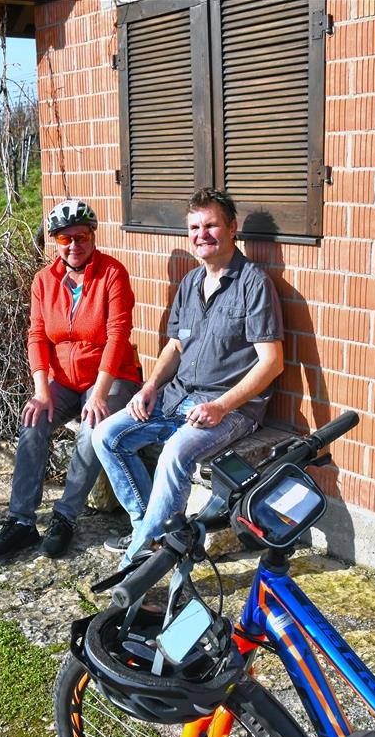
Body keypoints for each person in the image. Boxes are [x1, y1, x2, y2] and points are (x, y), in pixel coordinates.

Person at [91, 188, 284, 567]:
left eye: (211, 225)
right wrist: (150, 387)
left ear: (232, 228)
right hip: (176, 397)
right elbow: (175, 347)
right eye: (195, 227)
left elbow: (271, 362)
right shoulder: (191, 283)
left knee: (175, 454)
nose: (202, 234)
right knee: (106, 436)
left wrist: (221, 405)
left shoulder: (254, 285)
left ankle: (138, 561)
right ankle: (149, 528)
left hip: (229, 409)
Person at [0, 199, 142, 561]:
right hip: (65, 380)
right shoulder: (44, 280)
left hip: (112, 376)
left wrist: (100, 393)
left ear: (93, 236)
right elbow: (37, 335)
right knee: (33, 423)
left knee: (91, 426)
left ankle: (65, 517)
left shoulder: (112, 274)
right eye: (65, 238)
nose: (74, 245)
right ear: (55, 240)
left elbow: (118, 336)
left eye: (82, 236)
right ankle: (21, 521)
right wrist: (41, 391)